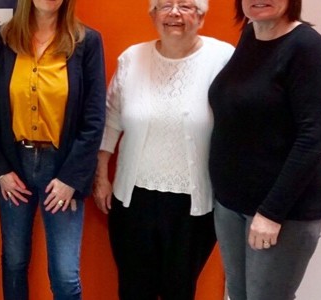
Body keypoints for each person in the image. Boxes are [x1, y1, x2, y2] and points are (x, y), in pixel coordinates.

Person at [90, 0, 233, 299]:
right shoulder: (132, 58)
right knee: (133, 290)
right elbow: (111, 119)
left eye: (186, 5)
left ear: (202, 17)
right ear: (153, 15)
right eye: (165, 5)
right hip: (132, 201)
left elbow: (246, 115)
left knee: (179, 291)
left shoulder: (222, 58)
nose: (175, 13)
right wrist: (101, 175)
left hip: (193, 206)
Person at [0, 0, 106, 298]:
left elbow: (94, 118)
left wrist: (72, 179)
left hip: (63, 169)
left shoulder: (87, 41)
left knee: (64, 275)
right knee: (14, 262)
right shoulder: (4, 38)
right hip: (14, 166)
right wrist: (1, 171)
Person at [208, 0, 321, 299]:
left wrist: (270, 214)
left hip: (281, 212)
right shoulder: (251, 34)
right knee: (238, 295)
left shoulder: (307, 48)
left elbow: (313, 138)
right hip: (232, 204)